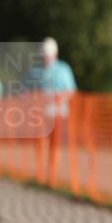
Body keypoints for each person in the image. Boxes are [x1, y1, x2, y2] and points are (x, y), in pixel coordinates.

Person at [36, 37, 77, 184]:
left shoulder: (63, 69)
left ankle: (52, 175)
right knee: (41, 143)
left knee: (55, 145)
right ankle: (41, 175)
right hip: (41, 115)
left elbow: (71, 91)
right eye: (44, 56)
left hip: (58, 114)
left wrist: (58, 98)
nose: (45, 59)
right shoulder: (38, 71)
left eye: (47, 56)